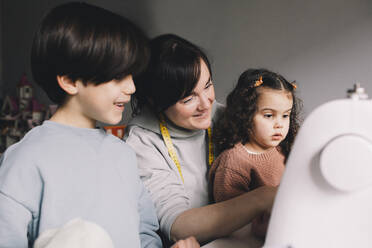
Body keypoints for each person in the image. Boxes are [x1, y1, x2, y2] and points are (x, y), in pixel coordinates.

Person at [0, 3, 198, 248]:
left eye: (132, 76)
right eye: (118, 76)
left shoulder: (123, 154)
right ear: (70, 80)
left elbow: (145, 235)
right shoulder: (25, 159)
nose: (132, 88)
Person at [125, 34, 277, 246]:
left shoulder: (225, 115)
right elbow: (178, 227)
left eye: (208, 86)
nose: (206, 104)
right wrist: (262, 199)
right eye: (188, 98)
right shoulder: (142, 143)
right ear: (155, 101)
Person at [209, 68, 301, 238]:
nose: (279, 124)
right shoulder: (234, 161)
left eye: (285, 115)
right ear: (244, 114)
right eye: (268, 115)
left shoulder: (283, 149)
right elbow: (229, 220)